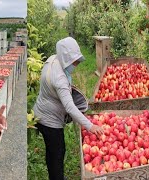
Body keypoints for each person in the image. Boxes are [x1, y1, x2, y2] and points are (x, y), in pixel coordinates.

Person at [33, 37, 104, 180]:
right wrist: (90, 126)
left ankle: (55, 175)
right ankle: (57, 177)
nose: (76, 64)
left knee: (52, 152)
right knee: (57, 152)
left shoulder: (53, 59)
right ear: (65, 58)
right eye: (74, 61)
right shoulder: (59, 79)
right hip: (49, 121)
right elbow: (70, 107)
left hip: (40, 111)